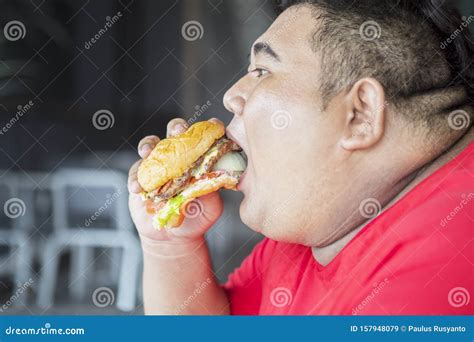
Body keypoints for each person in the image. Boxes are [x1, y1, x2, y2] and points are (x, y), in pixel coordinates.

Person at [128, 0, 473, 315]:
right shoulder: (322, 218)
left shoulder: (439, 268)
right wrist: (170, 246)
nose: (232, 96)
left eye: (262, 71)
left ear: (361, 114)